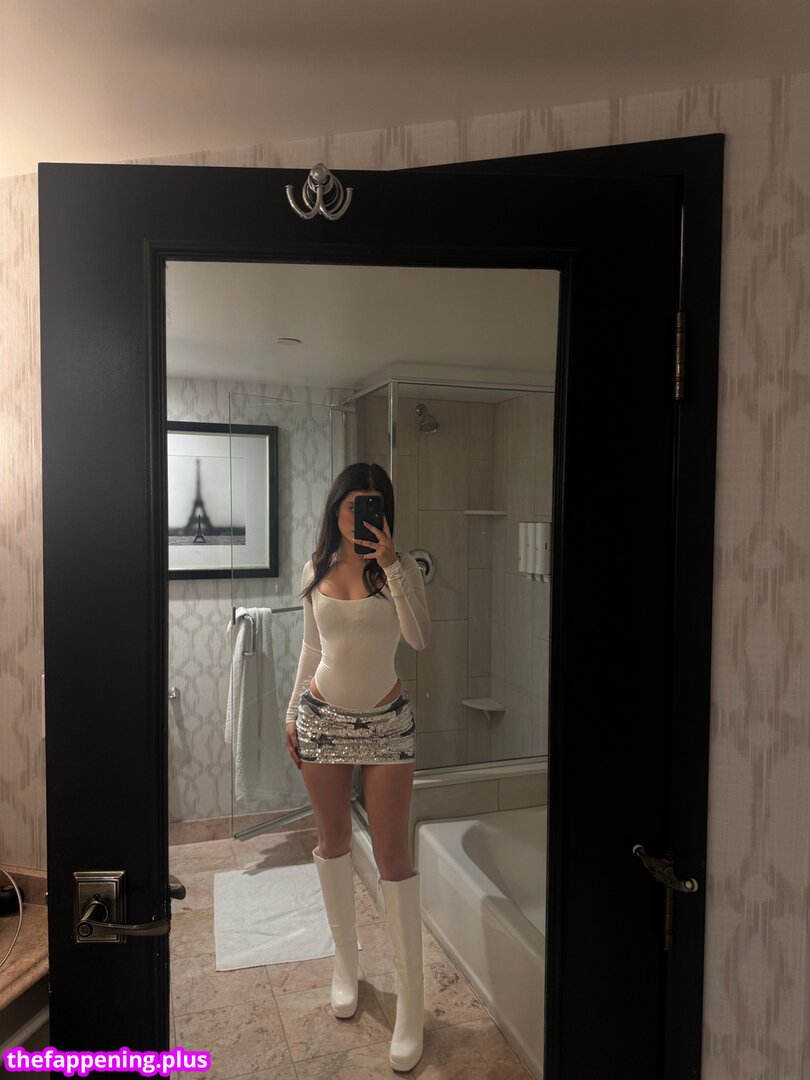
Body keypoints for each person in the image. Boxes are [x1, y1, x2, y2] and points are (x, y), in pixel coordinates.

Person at [284, 461, 431, 1072]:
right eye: (351, 504)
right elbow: (311, 647)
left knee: (394, 860)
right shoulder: (315, 568)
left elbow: (419, 638)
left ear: (384, 511)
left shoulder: (402, 568)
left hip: (388, 723)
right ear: (336, 508)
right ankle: (347, 966)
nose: (359, 515)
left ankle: (411, 1003)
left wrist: (392, 566)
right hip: (322, 718)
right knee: (333, 843)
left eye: (371, 504)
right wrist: (291, 711)